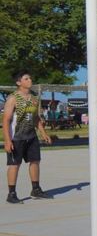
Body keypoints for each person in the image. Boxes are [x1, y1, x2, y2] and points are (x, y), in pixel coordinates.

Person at [3, 70, 52, 203]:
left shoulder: (34, 99)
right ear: (19, 82)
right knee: (15, 164)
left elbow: (36, 119)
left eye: (30, 78)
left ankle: (36, 189)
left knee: (35, 161)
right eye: (26, 79)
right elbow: (6, 120)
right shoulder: (13, 98)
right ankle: (11, 194)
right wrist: (7, 141)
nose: (30, 80)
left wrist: (43, 134)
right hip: (16, 137)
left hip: (31, 136)